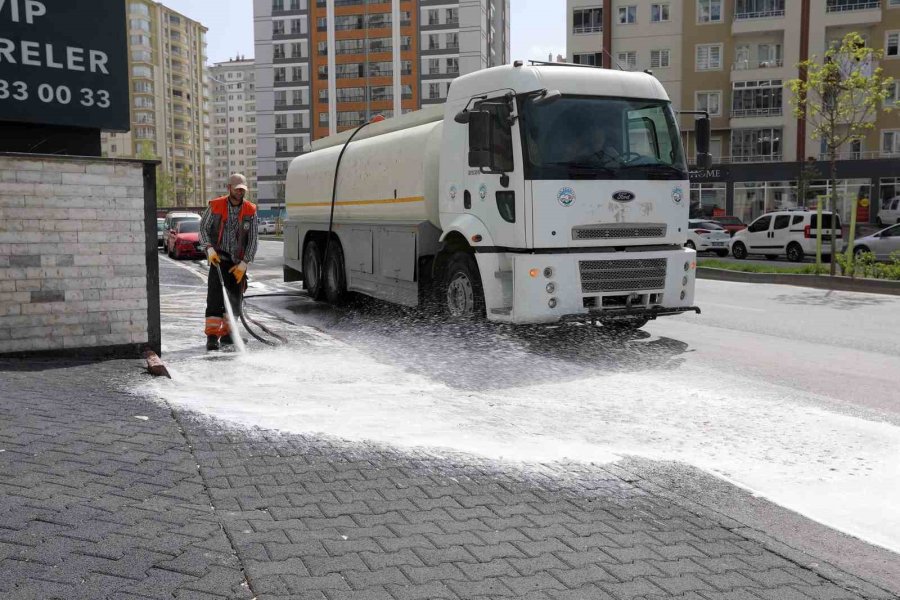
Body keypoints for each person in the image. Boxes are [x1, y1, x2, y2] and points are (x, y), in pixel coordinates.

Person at [199, 173, 258, 351]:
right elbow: (203, 228)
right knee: (215, 299)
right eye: (237, 189)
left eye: (243, 189)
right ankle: (212, 337)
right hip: (219, 260)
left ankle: (228, 335)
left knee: (234, 301)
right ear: (229, 188)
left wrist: (244, 263)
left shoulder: (250, 210)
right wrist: (209, 249)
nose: (240, 192)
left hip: (237, 264)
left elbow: (254, 239)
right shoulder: (216, 206)